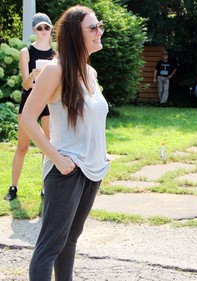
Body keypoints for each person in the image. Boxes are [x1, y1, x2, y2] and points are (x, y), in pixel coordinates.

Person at [21, 5, 109, 281]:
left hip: (92, 169)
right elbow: (27, 118)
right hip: (66, 170)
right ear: (74, 35)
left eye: (100, 25)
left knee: (70, 241)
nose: (99, 31)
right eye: (93, 27)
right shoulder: (55, 70)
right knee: (49, 246)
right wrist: (56, 158)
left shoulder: (90, 73)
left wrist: (103, 154)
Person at [4, 13, 55, 201]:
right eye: (39, 28)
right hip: (29, 99)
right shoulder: (26, 52)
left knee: (47, 146)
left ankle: (44, 188)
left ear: (51, 29)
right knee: (23, 146)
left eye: (46, 27)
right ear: (34, 30)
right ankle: (13, 187)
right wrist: (34, 75)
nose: (43, 31)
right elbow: (25, 85)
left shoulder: (55, 54)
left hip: (48, 101)